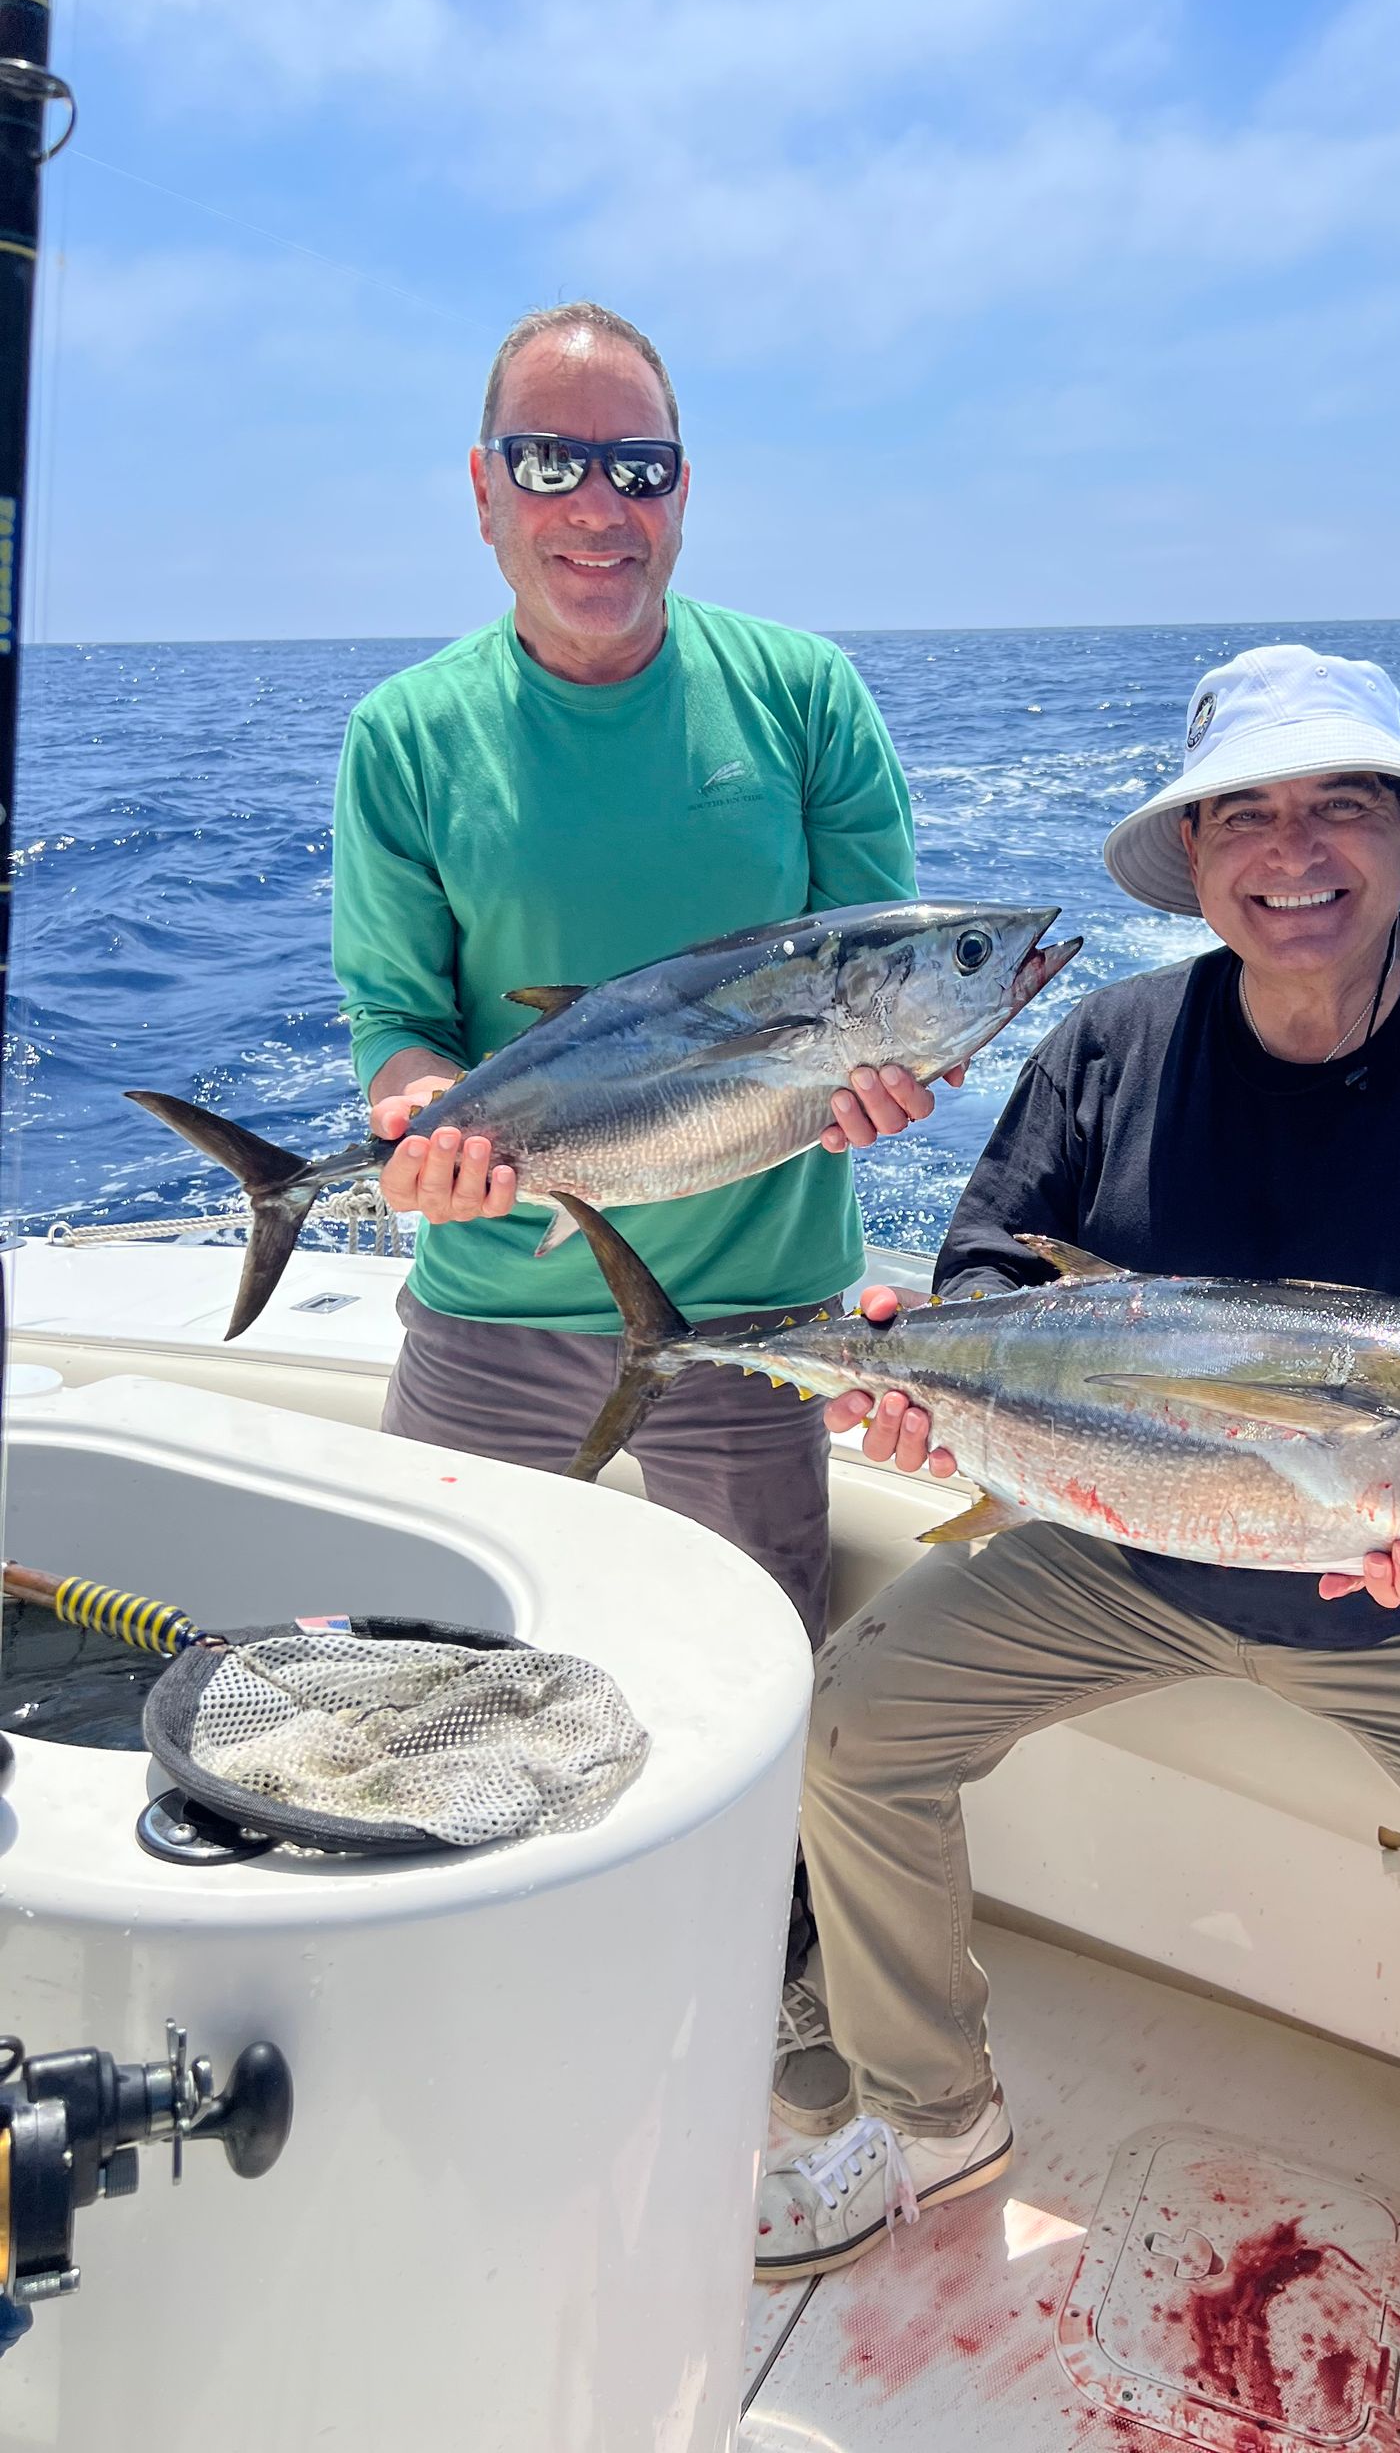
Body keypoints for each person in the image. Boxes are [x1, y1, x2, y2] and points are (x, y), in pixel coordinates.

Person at [753, 645, 1400, 2453]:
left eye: (1338, 804)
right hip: (1117, 1549)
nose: (1293, 851)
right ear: (1195, 857)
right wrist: (924, 1375)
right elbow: (986, 1286)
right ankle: (933, 2110)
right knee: (853, 1722)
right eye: (1247, 815)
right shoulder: (1112, 1046)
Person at [331, 302, 950, 2112]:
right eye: (552, 461)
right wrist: (408, 1119)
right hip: (488, 1321)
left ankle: (741, 2012)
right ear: (482, 492)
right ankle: (459, 2005)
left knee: (744, 1706)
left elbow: (878, 986)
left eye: (640, 466)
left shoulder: (803, 697)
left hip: (755, 1338)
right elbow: (397, 1022)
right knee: (432, 1684)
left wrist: (890, 1089)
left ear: (686, 493)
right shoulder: (406, 735)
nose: (598, 505)